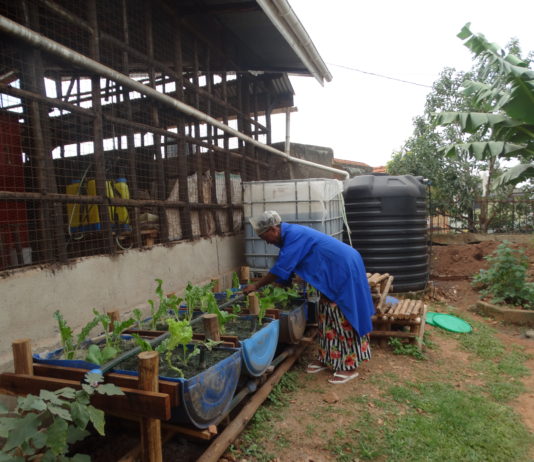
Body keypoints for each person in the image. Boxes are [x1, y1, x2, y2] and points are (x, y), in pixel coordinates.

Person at [243, 210, 375, 384]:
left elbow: (280, 267)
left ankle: (349, 366)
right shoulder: (288, 237)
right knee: (326, 314)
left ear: (273, 229)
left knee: (342, 315)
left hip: (342, 268)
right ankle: (328, 357)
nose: (266, 242)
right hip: (331, 271)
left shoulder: (293, 235)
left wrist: (256, 286)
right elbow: (287, 268)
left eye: (264, 237)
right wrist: (281, 284)